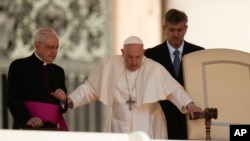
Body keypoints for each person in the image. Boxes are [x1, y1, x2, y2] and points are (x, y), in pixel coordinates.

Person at [53, 36, 202, 139]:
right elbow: (90, 88)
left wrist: (189, 104)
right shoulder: (110, 65)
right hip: (118, 124)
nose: (134, 62)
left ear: (143, 53)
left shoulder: (154, 69)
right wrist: (70, 99)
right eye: (130, 57)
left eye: (138, 57)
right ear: (123, 53)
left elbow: (173, 90)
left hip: (148, 124)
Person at [144, 8, 205, 139]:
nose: (176, 34)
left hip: (192, 118)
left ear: (186, 29)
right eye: (171, 30)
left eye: (179, 30)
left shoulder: (199, 53)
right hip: (162, 117)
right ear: (164, 29)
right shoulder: (151, 55)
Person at [7, 27, 68, 131]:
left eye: (57, 48)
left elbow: (62, 109)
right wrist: (27, 118)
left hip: (53, 131)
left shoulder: (58, 71)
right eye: (50, 47)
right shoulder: (19, 66)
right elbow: (13, 100)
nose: (55, 52)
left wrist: (63, 101)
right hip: (27, 128)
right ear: (37, 45)